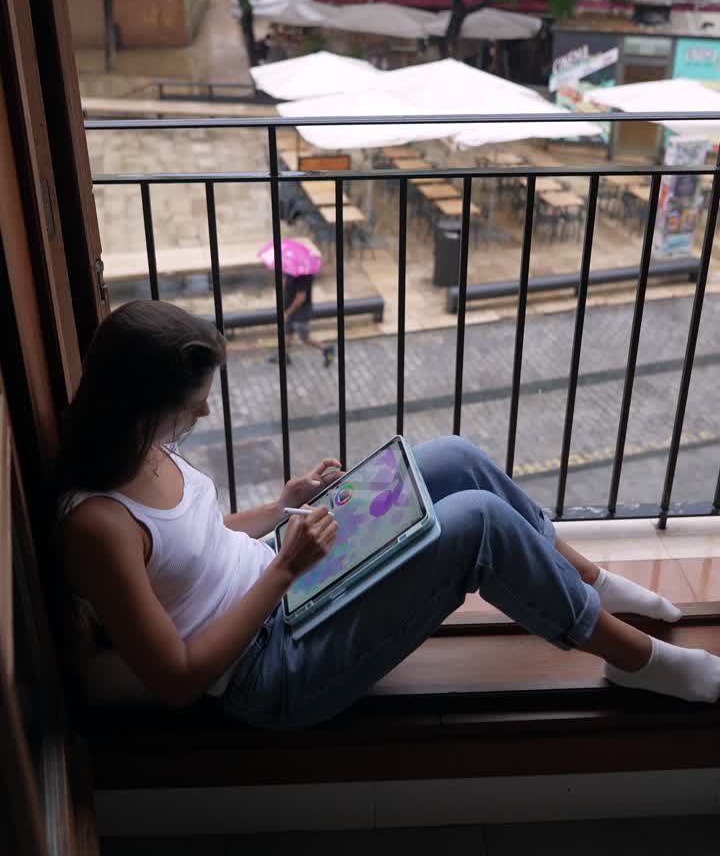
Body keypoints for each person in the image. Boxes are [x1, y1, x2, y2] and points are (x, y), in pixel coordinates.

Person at [55, 301, 720, 727]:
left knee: (454, 456)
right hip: (270, 670)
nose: (204, 412)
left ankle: (589, 583)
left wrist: (282, 508)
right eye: (194, 400)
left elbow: (192, 548)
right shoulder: (99, 528)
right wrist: (286, 569)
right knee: (477, 525)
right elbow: (176, 682)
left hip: (286, 582)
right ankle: (635, 660)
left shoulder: (146, 446)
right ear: (141, 402)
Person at [269, 271, 334, 367]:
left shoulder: (304, 275)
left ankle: (327, 349)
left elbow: (301, 297)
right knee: (288, 332)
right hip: (290, 310)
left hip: (300, 313)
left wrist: (288, 312)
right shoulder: (290, 271)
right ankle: (283, 355)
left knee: (304, 337)